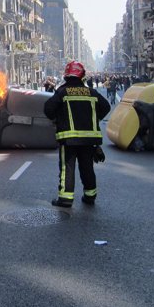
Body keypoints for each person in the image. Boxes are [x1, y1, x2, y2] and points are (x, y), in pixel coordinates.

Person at [44, 60, 111, 208]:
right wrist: (94, 117)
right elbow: (106, 106)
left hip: (69, 139)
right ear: (82, 76)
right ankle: (90, 195)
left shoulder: (62, 92)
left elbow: (48, 109)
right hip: (88, 139)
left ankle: (65, 199)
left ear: (66, 76)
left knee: (67, 168)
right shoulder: (91, 92)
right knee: (87, 166)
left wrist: (59, 118)